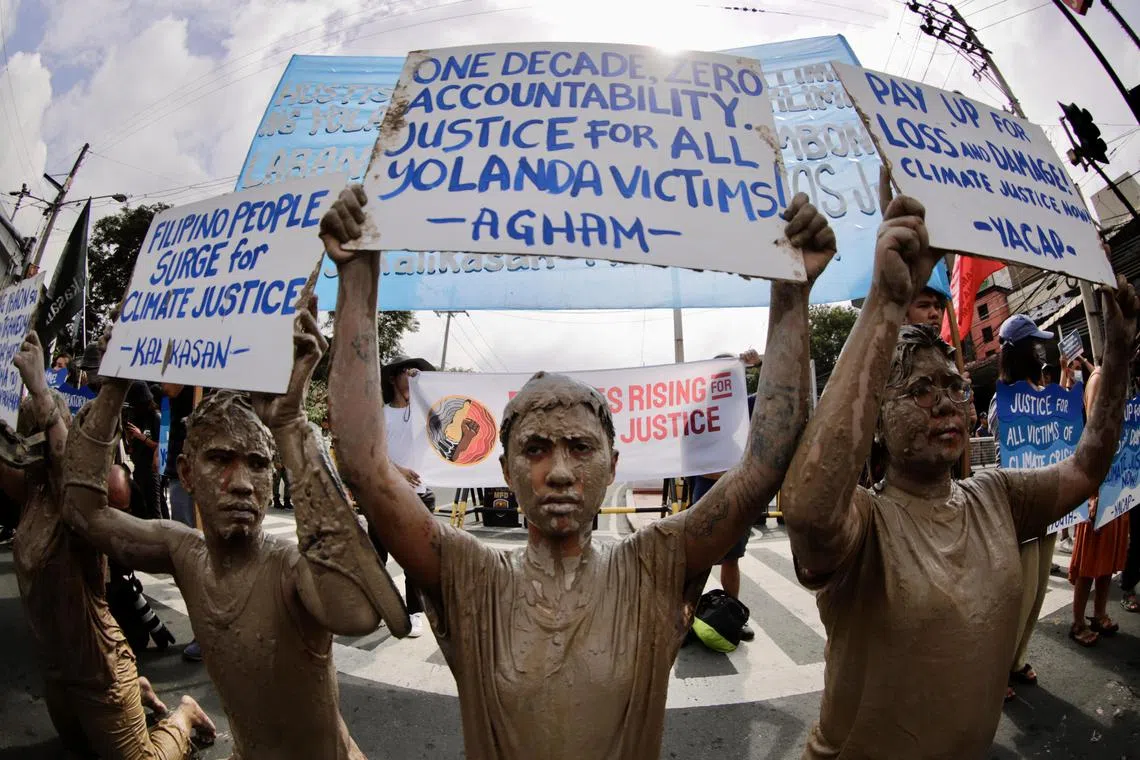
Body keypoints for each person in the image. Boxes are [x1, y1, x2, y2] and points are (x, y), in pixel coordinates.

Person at [320, 184, 836, 759]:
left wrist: (791, 295)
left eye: (580, 449)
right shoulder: (471, 578)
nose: (560, 471)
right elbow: (365, 467)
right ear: (505, 470)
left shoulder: (655, 564)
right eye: (535, 449)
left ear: (612, 464)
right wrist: (358, 279)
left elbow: (763, 464)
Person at [779, 178, 1139, 759]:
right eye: (920, 389)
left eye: (954, 386)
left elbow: (1088, 468)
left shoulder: (994, 496)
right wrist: (887, 302)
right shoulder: (865, 526)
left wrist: (1118, 359)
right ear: (877, 417)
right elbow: (808, 506)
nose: (946, 402)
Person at [61, 298, 410, 760]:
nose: (241, 484)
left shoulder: (287, 569)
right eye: (220, 460)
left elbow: (356, 614)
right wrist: (114, 386)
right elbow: (84, 511)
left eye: (259, 464)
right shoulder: (183, 551)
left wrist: (291, 425)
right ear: (186, 475)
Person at [4, 331, 212, 758]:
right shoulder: (32, 505)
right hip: (60, 671)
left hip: (101, 666)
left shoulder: (74, 508)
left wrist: (43, 388)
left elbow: (74, 468)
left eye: (36, 431)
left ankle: (184, 717)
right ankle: (138, 693)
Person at [986, 312, 1060, 697]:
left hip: (1048, 505)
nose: (1039, 348)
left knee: (1041, 589)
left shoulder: (1045, 394)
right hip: (1018, 510)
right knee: (1023, 592)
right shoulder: (1004, 403)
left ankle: (1017, 660)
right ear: (1017, 352)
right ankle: (997, 670)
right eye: (1033, 344)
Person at [688, 351, 761, 644]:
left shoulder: (747, 405)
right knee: (698, 561)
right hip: (706, 498)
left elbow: (781, 396)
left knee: (731, 559)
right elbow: (696, 463)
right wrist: (732, 475)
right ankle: (685, 615)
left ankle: (733, 616)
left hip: (737, 499)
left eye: (733, 374)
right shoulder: (697, 414)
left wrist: (761, 364)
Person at [366, 354, 438, 638]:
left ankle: (415, 612)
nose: (413, 376)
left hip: (419, 496)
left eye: (418, 372)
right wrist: (398, 470)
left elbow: (447, 438)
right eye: (408, 372)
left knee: (415, 559)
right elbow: (372, 451)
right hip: (384, 494)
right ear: (393, 377)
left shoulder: (427, 415)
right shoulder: (381, 414)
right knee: (377, 557)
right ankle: (380, 608)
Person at [1067, 359, 1130, 645]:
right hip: (1099, 483)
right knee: (1090, 558)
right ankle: (1078, 620)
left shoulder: (1119, 378)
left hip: (1119, 479)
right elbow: (1093, 436)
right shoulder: (1099, 380)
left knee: (1110, 555)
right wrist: (1092, 493)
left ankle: (1099, 613)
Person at [105, 464, 176, 654]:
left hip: (117, 580)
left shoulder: (134, 499)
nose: (117, 517)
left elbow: (125, 580)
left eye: (123, 510)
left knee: (137, 641)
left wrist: (151, 620)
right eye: (111, 509)